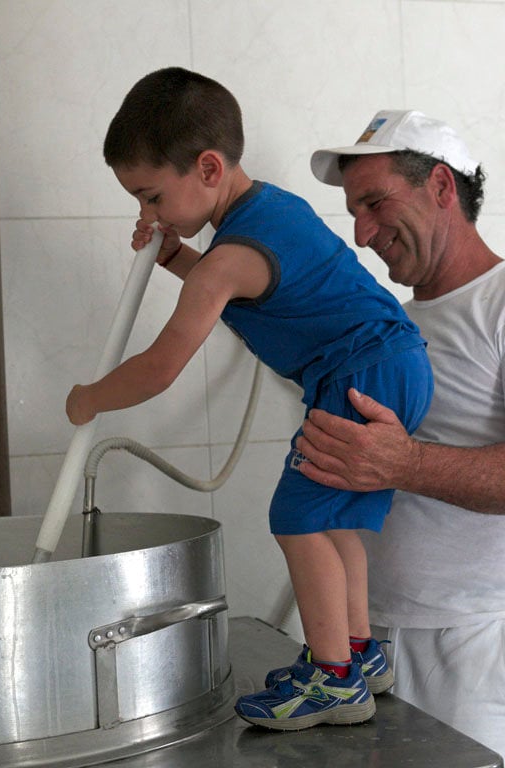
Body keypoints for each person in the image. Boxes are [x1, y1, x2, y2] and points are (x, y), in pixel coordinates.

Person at [65, 72, 433, 731]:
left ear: (208, 168)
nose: (148, 213)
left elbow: (160, 367)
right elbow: (247, 284)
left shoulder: (228, 258)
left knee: (296, 517)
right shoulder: (270, 214)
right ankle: (355, 654)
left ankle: (333, 680)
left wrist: (89, 398)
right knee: (333, 519)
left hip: (362, 372)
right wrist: (177, 257)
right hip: (393, 364)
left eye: (152, 196)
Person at [297, 109, 505, 758]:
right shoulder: (391, 325)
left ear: (441, 187)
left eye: (374, 203)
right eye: (353, 212)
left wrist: (404, 464)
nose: (362, 234)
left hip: (471, 646)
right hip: (369, 642)